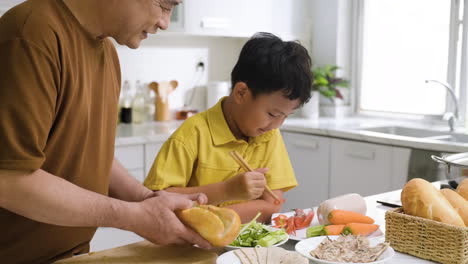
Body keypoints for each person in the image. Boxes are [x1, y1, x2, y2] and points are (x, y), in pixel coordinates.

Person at [0, 0, 211, 263]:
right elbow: (10, 181)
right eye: (165, 5)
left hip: (72, 256)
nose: (165, 22)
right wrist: (133, 216)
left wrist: (148, 199)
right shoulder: (32, 34)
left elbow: (94, 153)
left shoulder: (108, 53)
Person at [143, 32, 313, 223]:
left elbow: (272, 204)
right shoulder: (193, 133)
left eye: (285, 116)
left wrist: (212, 218)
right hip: (188, 247)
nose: (276, 125)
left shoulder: (269, 135)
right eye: (272, 114)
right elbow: (158, 202)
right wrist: (227, 190)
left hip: (241, 246)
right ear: (241, 93)